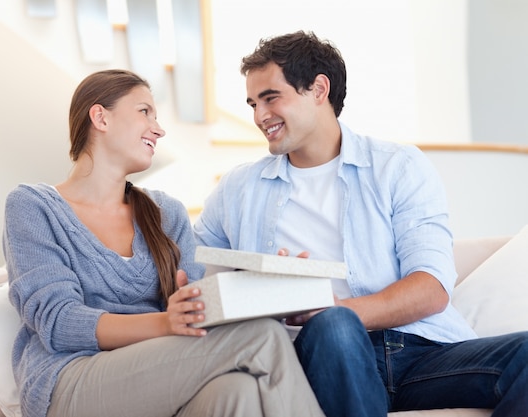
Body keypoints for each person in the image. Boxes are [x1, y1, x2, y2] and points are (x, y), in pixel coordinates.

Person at [193, 31, 528, 417]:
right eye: (252, 104)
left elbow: (431, 288)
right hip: (321, 355)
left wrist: (338, 306)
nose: (259, 116)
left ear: (319, 89)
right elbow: (196, 271)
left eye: (270, 98)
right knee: (336, 326)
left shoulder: (396, 167)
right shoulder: (238, 189)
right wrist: (264, 292)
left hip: (420, 352)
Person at [2, 69, 324, 417]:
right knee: (261, 337)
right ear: (100, 117)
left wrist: (272, 295)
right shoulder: (33, 206)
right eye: (144, 112)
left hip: (163, 376)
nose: (159, 129)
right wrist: (164, 323)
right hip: (70, 381)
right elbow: (59, 322)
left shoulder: (165, 213)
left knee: (239, 390)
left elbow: (202, 313)